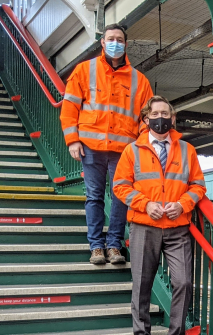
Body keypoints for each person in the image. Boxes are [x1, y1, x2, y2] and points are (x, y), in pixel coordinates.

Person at [112, 96, 206, 335]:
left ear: (173, 118)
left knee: (184, 282)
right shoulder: (132, 151)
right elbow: (120, 186)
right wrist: (145, 204)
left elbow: (198, 186)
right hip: (144, 226)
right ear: (146, 118)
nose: (161, 117)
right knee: (142, 286)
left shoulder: (187, 150)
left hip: (177, 228)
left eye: (166, 113)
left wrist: (184, 204)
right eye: (155, 113)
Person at [60, 24, 153, 266]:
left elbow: (146, 118)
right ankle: (96, 247)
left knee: (121, 197)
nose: (115, 42)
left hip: (123, 150)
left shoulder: (139, 80)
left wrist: (141, 147)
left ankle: (114, 245)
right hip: (90, 146)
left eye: (119, 39)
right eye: (110, 38)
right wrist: (72, 140)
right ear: (102, 43)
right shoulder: (84, 70)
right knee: (94, 197)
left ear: (126, 44)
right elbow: (70, 109)